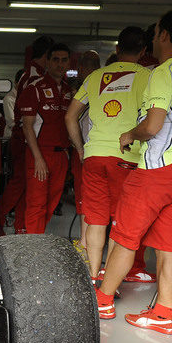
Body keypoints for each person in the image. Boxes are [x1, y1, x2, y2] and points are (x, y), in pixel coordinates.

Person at [94, 8, 172, 333]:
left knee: (124, 237)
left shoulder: (163, 72)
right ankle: (163, 313)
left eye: (156, 31)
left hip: (157, 169)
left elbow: (155, 123)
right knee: (169, 245)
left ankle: (102, 300)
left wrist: (131, 134)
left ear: (164, 35)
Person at [66, 27, 148, 280]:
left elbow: (70, 116)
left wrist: (81, 149)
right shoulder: (148, 76)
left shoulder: (96, 77)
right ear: (144, 51)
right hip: (127, 157)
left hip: (94, 156)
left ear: (116, 49)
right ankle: (110, 281)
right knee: (119, 222)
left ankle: (92, 275)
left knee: (95, 218)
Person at [17, 42, 72, 234]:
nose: (60, 64)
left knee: (52, 202)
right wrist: (38, 157)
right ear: (47, 62)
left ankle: (37, 239)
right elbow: (27, 126)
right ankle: (33, 247)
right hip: (39, 154)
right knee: (36, 204)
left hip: (61, 155)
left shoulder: (69, 91)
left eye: (64, 60)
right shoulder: (35, 88)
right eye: (55, 60)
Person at [0, 36, 53, 233]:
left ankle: (20, 226)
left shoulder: (32, 73)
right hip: (24, 139)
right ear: (47, 56)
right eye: (54, 58)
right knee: (19, 184)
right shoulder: (34, 77)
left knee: (25, 186)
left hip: (26, 138)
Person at [68, 50, 102, 247]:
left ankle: (84, 241)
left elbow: (70, 118)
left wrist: (79, 148)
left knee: (85, 196)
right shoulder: (107, 84)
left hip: (85, 150)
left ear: (81, 68)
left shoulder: (86, 87)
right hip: (108, 149)